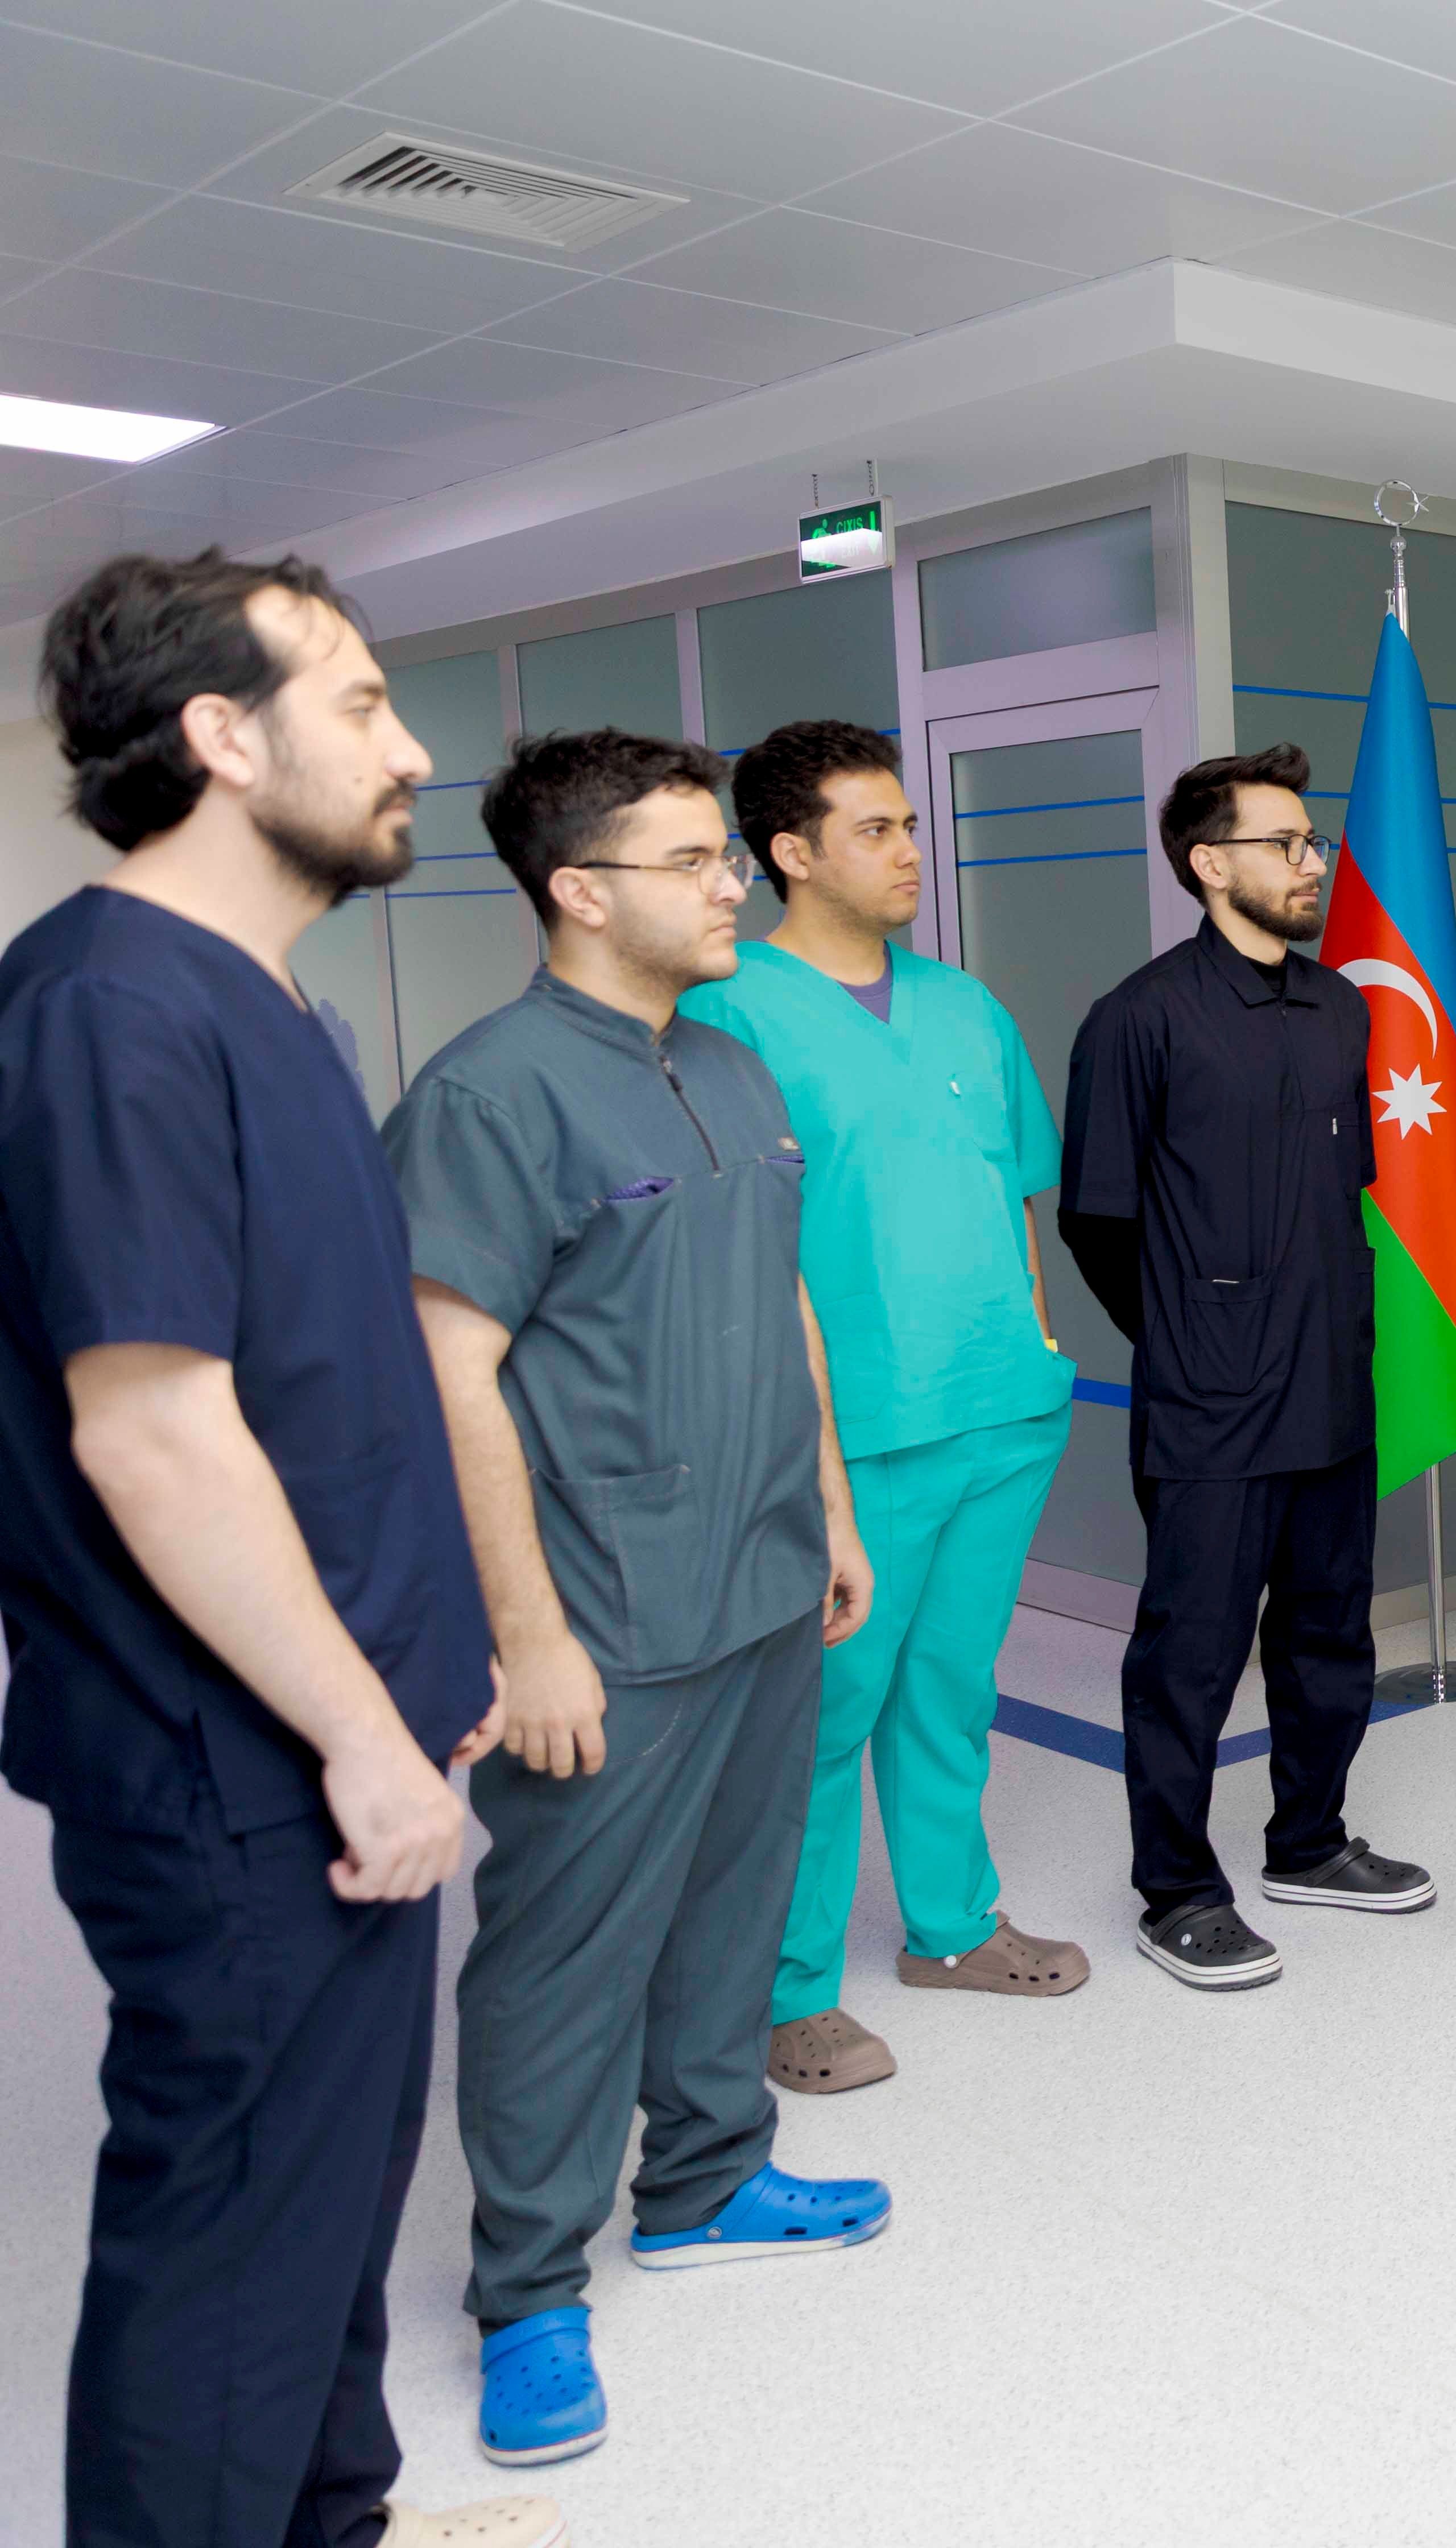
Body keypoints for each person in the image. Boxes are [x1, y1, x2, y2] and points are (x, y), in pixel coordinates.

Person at [5, 552, 565, 2548]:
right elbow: (153, 1431)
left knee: (323, 2217)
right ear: (220, 739)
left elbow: (322, 1384)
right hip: (239, 1773)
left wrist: (432, 1664)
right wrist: (354, 1731)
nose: (410, 748)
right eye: (360, 704)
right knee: (231, 2256)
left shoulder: (269, 1008)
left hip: (337, 1738)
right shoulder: (110, 1012)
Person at [391, 729, 887, 2470]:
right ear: (579, 891)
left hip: (761, 1571)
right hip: (604, 1608)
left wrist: (829, 1504)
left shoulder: (731, 1064)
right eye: (691, 860)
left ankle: (706, 2179)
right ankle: (527, 2292)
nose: (731, 882)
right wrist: (526, 1638)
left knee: (733, 1904)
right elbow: (449, 1374)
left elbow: (785, 1291)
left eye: (723, 853)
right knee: (562, 1956)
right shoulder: (491, 1094)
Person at [675, 720, 1087, 2100]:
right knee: (822, 1710)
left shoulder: (965, 1006)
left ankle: (952, 1926)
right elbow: (727, 1240)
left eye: (910, 823)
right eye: (876, 829)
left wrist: (1037, 1342)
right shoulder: (729, 1008)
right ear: (790, 852)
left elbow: (1012, 1190)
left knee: (953, 1686)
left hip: (1000, 1409)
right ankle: (789, 1991)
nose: (912, 849)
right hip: (852, 1432)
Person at [1059, 746, 1429, 1992]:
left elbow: (1344, 1188)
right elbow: (1098, 1221)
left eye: (1312, 841)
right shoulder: (1139, 1019)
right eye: (1285, 843)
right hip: (1209, 1405)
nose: (1311, 861)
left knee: (1330, 1635)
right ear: (1209, 863)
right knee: (1192, 1655)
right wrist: (1192, 1337)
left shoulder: (1340, 1010)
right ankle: (1177, 1890)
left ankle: (1310, 1842)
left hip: (1331, 1382)